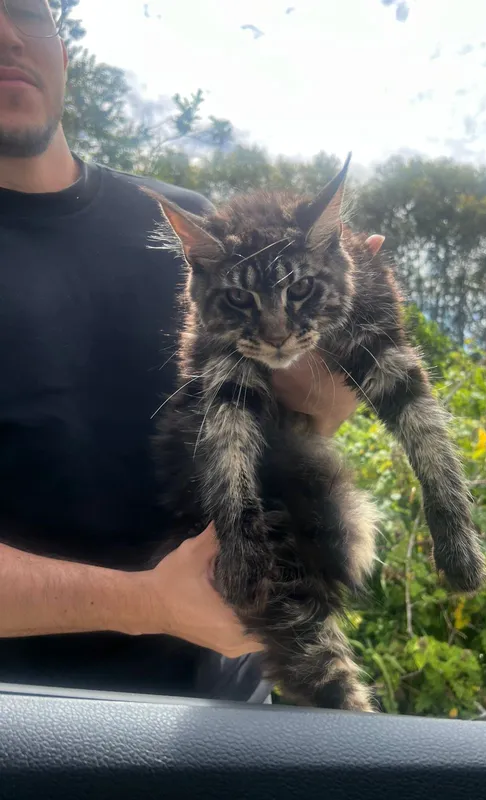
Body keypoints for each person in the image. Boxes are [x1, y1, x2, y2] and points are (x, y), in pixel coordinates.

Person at [0, 0, 384, 702]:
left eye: (24, 10)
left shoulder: (200, 229)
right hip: (30, 723)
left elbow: (271, 434)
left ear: (60, 41)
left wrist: (321, 402)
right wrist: (144, 602)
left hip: (237, 702)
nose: (4, 36)